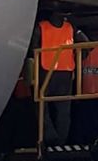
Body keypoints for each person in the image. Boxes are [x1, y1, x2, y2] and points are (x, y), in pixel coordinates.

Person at [35, 11, 84, 145]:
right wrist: (77, 59)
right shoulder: (70, 28)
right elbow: (86, 43)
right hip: (66, 72)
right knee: (63, 109)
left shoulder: (41, 27)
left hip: (46, 71)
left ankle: (49, 137)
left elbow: (33, 48)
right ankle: (62, 140)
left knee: (41, 106)